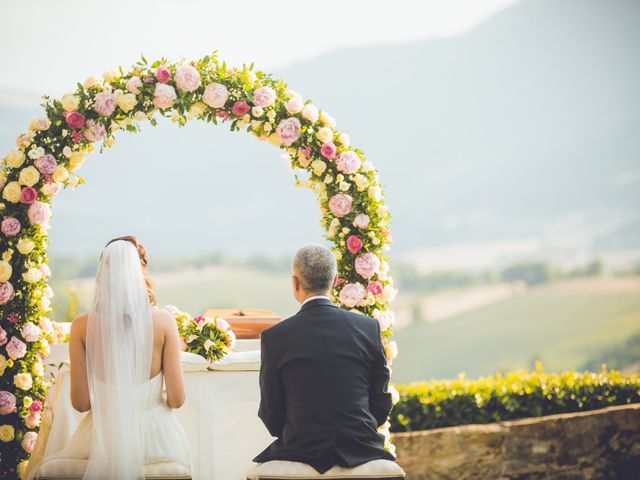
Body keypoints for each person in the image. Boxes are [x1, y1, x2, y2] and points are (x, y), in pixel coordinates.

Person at [29, 236, 191, 479]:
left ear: (103, 274)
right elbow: (177, 400)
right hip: (156, 439)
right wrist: (147, 399)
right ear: (139, 272)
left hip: (101, 438)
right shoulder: (164, 322)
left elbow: (81, 404)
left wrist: (113, 401)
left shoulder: (81, 326)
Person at [253, 243, 395, 473]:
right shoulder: (368, 328)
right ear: (335, 279)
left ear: (295, 283)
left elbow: (271, 412)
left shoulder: (275, 337)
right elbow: (380, 401)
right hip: (360, 447)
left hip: (300, 447)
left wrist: (298, 433)